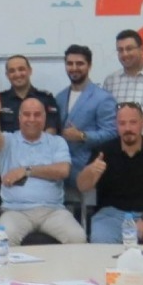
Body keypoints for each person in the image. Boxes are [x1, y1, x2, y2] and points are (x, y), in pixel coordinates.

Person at [78, 102, 143, 246]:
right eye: (122, 123)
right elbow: (82, 186)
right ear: (116, 126)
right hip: (111, 215)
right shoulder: (102, 153)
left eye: (133, 122)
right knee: (101, 243)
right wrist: (91, 171)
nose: (128, 128)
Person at [0, 97, 85, 246]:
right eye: (27, 114)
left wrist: (27, 170)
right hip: (15, 211)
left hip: (53, 211)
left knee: (78, 237)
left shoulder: (57, 142)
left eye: (37, 115)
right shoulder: (8, 140)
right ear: (19, 117)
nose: (32, 119)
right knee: (3, 237)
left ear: (44, 118)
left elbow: (63, 171)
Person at [55, 45, 117, 183]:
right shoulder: (59, 97)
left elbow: (112, 133)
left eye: (79, 63)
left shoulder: (103, 98)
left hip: (88, 169)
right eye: (70, 63)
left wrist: (82, 136)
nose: (74, 68)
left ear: (89, 65)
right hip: (61, 169)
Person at [0, 55, 61, 141]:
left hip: (40, 148)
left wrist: (34, 147)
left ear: (30, 71)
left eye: (21, 69)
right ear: (7, 75)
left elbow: (51, 130)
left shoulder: (46, 98)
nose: (17, 74)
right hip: (8, 148)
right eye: (12, 71)